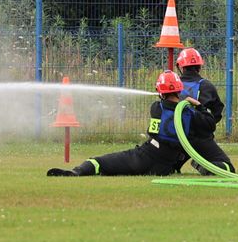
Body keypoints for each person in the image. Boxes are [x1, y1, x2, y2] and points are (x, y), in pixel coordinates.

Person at [47, 70, 189, 177]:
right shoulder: (189, 113)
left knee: (98, 162)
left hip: (144, 157)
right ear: (179, 89)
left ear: (161, 92)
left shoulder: (157, 108)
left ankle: (76, 173)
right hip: (165, 166)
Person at [174, 47, 235, 174]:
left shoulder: (174, 84)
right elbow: (217, 112)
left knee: (168, 167)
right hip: (200, 139)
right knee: (227, 168)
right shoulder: (206, 86)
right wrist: (207, 124)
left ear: (180, 66)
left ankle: (174, 164)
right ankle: (202, 164)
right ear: (199, 66)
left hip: (175, 138)